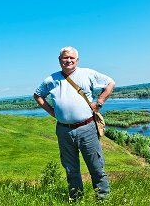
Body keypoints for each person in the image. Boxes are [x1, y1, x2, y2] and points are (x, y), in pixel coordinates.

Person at [34, 46, 115, 201]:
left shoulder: (87, 74)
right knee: (71, 169)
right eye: (65, 58)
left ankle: (103, 200)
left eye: (72, 58)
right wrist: (53, 113)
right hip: (64, 130)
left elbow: (110, 83)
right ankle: (76, 200)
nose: (68, 60)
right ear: (59, 60)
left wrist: (100, 102)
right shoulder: (51, 79)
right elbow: (37, 95)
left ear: (77, 60)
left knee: (96, 166)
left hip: (87, 128)